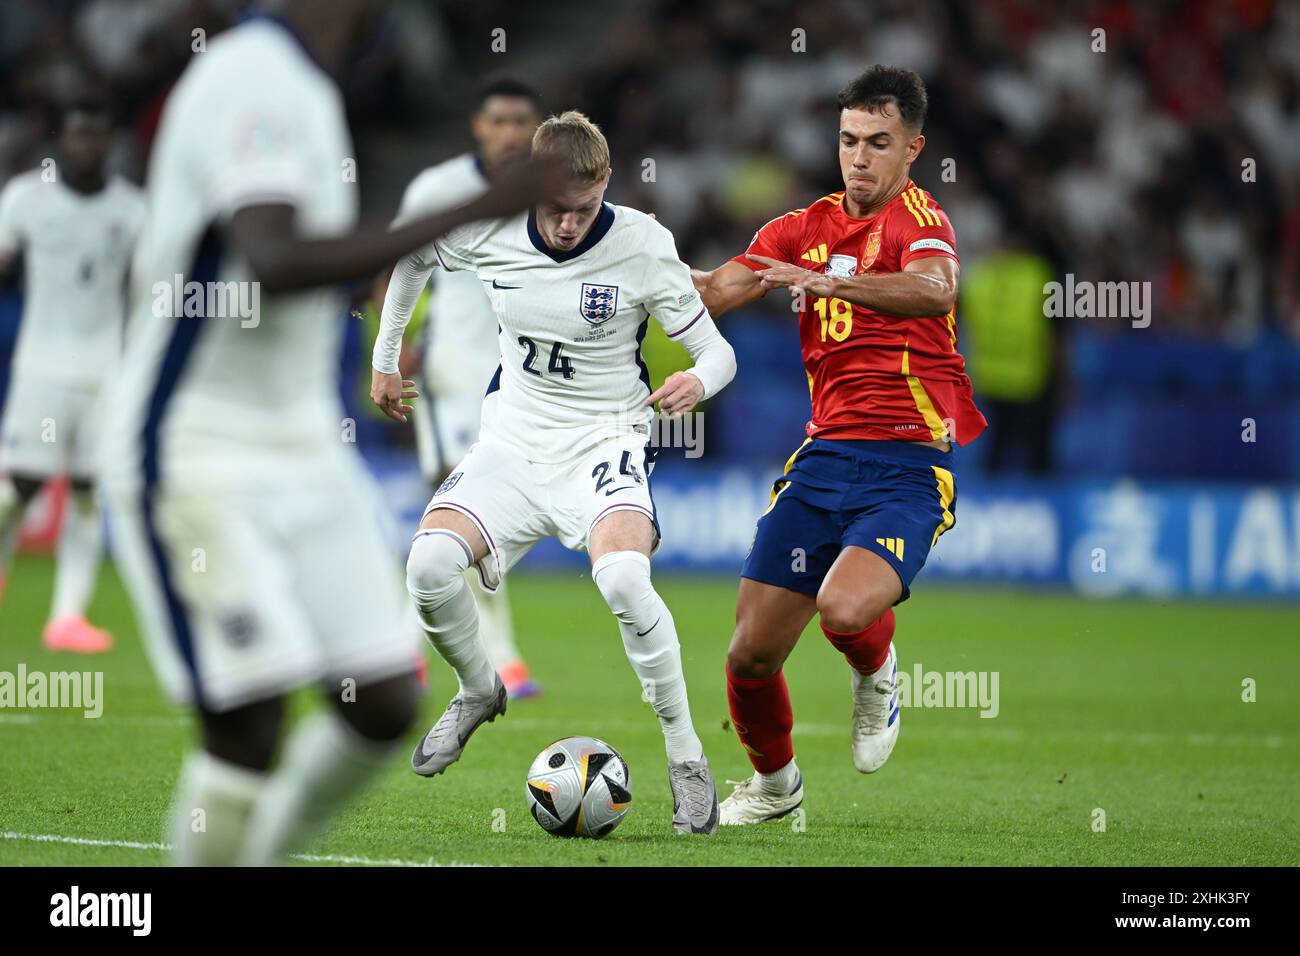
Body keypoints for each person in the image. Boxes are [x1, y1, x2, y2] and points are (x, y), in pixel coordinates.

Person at [98, 0, 558, 865]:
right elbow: (270, 258)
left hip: (304, 444)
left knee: (383, 701)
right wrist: (477, 208)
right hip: (197, 442)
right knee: (249, 718)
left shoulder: (311, 87)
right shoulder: (252, 74)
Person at [372, 111, 735, 835]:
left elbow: (718, 352)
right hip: (510, 441)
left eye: (585, 208)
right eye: (555, 210)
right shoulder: (487, 226)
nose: (569, 225)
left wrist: (699, 382)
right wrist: (384, 360)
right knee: (428, 564)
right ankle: (479, 689)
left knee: (626, 580)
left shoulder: (641, 244)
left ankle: (687, 756)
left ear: (606, 184)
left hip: (606, 440)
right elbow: (411, 259)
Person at [690, 65, 986, 824]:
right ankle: (776, 789)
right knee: (748, 655)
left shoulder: (923, 222)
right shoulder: (798, 229)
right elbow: (718, 290)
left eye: (878, 143)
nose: (860, 158)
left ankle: (878, 670)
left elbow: (935, 289)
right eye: (849, 140)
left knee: (844, 610)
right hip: (823, 460)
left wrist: (831, 285)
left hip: (909, 465)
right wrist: (626, 266)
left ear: (912, 149)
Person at [372, 77, 544, 698]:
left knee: (484, 525)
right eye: (498, 120)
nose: (509, 132)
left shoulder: (551, 191)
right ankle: (493, 653)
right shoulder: (438, 190)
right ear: (478, 125)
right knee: (456, 511)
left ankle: (414, 645)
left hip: (519, 383)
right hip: (445, 373)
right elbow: (394, 262)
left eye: (520, 121)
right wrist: (390, 351)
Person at [0, 100, 145, 651]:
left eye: (98, 135)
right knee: (23, 488)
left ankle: (67, 618)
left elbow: (146, 287)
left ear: (111, 141)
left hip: (104, 372)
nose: (88, 145)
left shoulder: (133, 210)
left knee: (88, 492)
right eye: (78, 134)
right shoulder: (24, 200)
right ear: (60, 138)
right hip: (41, 367)